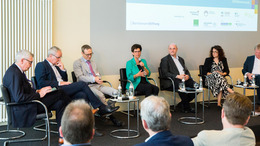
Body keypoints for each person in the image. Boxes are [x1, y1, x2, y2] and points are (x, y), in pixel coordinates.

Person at [34, 46, 118, 117]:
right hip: (55, 90)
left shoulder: (56, 66)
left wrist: (63, 69)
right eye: (58, 57)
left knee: (83, 94)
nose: (59, 60)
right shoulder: (41, 65)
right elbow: (41, 83)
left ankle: (86, 123)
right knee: (82, 84)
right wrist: (59, 83)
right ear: (51, 56)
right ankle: (100, 106)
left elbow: (65, 80)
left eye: (60, 57)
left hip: (62, 88)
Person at [2, 50, 70, 129]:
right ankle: (77, 115)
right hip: (26, 108)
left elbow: (24, 90)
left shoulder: (17, 71)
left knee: (60, 103)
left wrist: (38, 91)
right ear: (22, 60)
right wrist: (39, 94)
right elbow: (19, 98)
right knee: (60, 92)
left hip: (29, 104)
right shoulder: (14, 73)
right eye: (30, 62)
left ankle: (63, 132)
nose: (31, 65)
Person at [73, 44, 122, 127]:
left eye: (91, 54)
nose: (89, 56)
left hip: (97, 84)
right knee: (101, 96)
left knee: (116, 92)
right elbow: (80, 78)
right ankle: (113, 118)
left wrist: (98, 78)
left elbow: (97, 74)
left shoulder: (93, 63)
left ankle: (107, 108)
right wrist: (93, 79)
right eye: (87, 54)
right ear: (82, 53)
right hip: (87, 86)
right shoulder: (77, 63)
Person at [160, 43, 195, 113]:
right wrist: (177, 76)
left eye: (174, 48)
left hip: (184, 79)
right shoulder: (165, 60)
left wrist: (188, 76)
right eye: (170, 49)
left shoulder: (181, 59)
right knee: (181, 86)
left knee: (196, 86)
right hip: (173, 80)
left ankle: (182, 104)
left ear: (177, 49)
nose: (172, 50)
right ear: (168, 50)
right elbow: (165, 73)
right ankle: (187, 107)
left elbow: (186, 70)